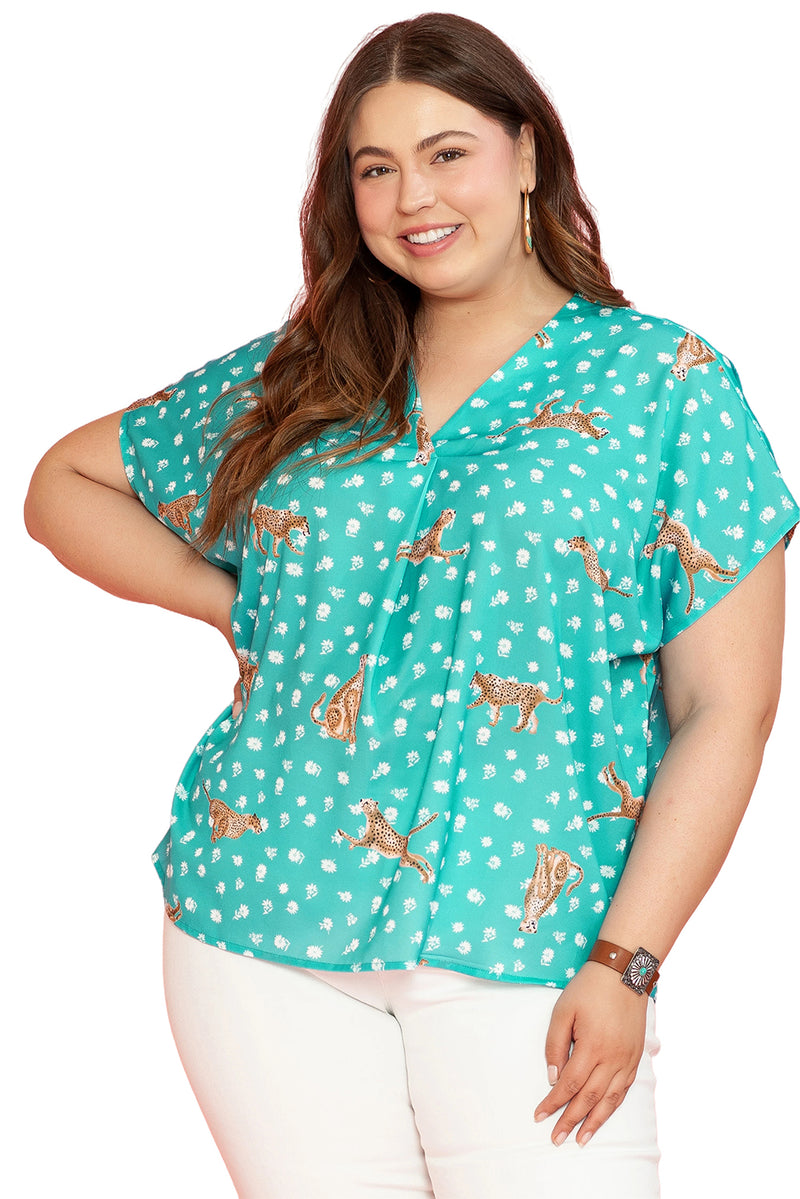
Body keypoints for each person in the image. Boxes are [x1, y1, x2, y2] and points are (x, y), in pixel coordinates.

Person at [24, 12, 797, 1199]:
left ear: (525, 153)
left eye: (446, 153)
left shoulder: (663, 383)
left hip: (532, 942)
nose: (410, 198)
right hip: (261, 923)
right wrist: (231, 603)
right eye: (374, 168)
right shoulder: (312, 373)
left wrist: (624, 961)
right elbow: (63, 485)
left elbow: (724, 709)